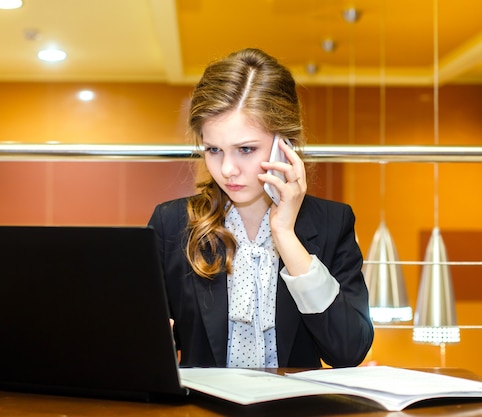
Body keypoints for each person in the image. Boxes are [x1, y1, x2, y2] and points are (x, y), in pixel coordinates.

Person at [148, 48, 373, 368]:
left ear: (286, 144)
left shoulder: (332, 223)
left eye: (245, 149)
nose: (227, 169)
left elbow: (348, 352)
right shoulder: (172, 223)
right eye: (213, 149)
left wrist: (286, 236)